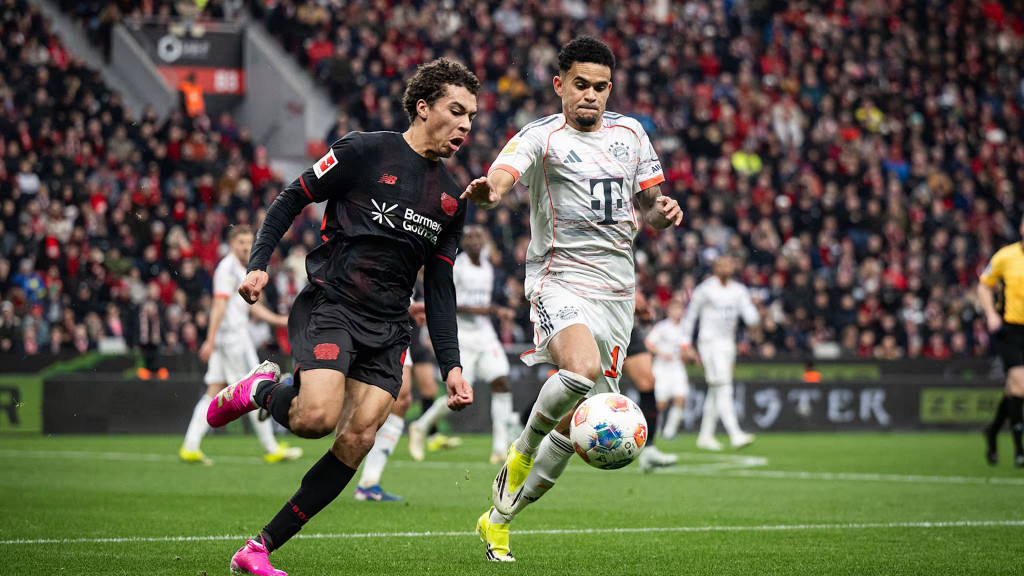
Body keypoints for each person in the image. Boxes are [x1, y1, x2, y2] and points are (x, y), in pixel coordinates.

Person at [205, 58, 478, 576]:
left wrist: (452, 366)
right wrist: (259, 263)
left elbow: (440, 288)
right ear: (423, 108)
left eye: (472, 116)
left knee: (357, 440)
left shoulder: (452, 198)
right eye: (456, 110)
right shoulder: (364, 151)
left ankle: (258, 548)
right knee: (314, 420)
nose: (466, 124)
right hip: (335, 305)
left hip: (390, 328)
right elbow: (292, 197)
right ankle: (261, 389)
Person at [462, 36, 683, 562]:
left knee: (576, 425)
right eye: (580, 85)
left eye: (600, 87)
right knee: (579, 371)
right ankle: (520, 450)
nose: (590, 95)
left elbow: (650, 208)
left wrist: (663, 212)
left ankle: (499, 519)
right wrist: (490, 192)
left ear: (610, 89)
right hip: (557, 279)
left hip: (617, 292)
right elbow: (502, 177)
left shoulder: (632, 134)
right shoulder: (541, 136)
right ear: (560, 85)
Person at [180, 225, 301, 465]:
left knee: (213, 390)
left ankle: (190, 446)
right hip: (232, 339)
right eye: (242, 243)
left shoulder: (240, 269)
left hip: (229, 338)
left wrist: (280, 321)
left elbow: (252, 309)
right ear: (232, 244)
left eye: (249, 243)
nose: (247, 247)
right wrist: (210, 340)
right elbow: (219, 305)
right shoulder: (227, 268)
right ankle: (271, 448)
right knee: (254, 387)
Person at [409, 225, 515, 464]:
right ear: (463, 242)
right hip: (461, 336)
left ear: (485, 241)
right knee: (459, 391)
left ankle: (500, 448)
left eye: (479, 237)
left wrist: (496, 310)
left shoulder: (488, 267)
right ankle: (422, 425)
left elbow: (484, 304)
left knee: (502, 382)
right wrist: (481, 310)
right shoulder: (457, 267)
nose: (475, 241)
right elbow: (444, 300)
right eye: (470, 237)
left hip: (485, 335)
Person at [680, 255, 760, 451]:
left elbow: (750, 315)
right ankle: (735, 434)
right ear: (716, 268)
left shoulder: (739, 290)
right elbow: (691, 316)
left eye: (728, 264)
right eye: (722, 265)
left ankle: (705, 436)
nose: (725, 268)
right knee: (724, 384)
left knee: (716, 388)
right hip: (710, 342)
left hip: (728, 344)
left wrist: (757, 317)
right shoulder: (705, 289)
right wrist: (685, 343)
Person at [979, 215, 1024, 467]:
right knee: (1021, 385)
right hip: (1011, 330)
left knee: (1014, 390)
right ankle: (1019, 450)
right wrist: (991, 314)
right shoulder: (1005, 256)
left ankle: (993, 431)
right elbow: (984, 285)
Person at [624, 291, 678, 471]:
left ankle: (649, 450)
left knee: (648, 382)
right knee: (581, 384)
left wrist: (634, 296)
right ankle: (544, 439)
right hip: (596, 320)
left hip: (626, 326)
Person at [645, 299, 690, 441]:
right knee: (660, 403)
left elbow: (685, 349)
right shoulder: (662, 327)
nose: (678, 312)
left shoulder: (685, 328)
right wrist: (661, 353)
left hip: (677, 367)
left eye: (680, 309)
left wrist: (689, 355)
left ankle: (669, 432)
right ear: (669, 311)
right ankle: (655, 429)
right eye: (675, 309)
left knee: (681, 398)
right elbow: (649, 343)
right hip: (661, 367)